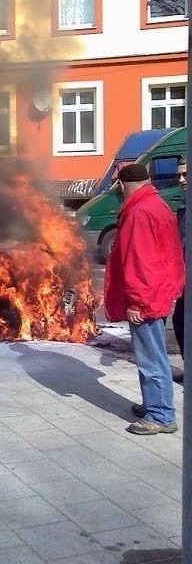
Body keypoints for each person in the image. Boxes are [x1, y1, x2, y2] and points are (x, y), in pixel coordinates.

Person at [104, 163, 184, 435]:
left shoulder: (138, 212)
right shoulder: (156, 204)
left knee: (150, 357)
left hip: (147, 296)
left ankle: (161, 415)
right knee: (154, 353)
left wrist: (137, 303)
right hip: (159, 290)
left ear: (125, 186)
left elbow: (140, 262)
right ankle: (155, 403)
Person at [171, 158, 186, 380]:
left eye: (186, 174)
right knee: (180, 320)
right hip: (185, 278)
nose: (182, 180)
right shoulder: (184, 206)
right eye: (179, 175)